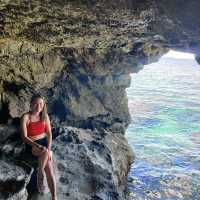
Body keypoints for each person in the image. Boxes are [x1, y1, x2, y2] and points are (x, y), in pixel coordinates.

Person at [20, 93, 57, 200]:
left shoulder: (45, 116)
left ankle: (54, 197)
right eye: (35, 104)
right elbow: (24, 137)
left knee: (49, 169)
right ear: (31, 104)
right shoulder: (26, 117)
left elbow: (49, 133)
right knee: (45, 153)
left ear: (44, 105)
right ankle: (40, 173)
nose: (38, 106)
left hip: (44, 144)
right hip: (31, 145)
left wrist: (49, 149)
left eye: (41, 104)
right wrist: (38, 146)